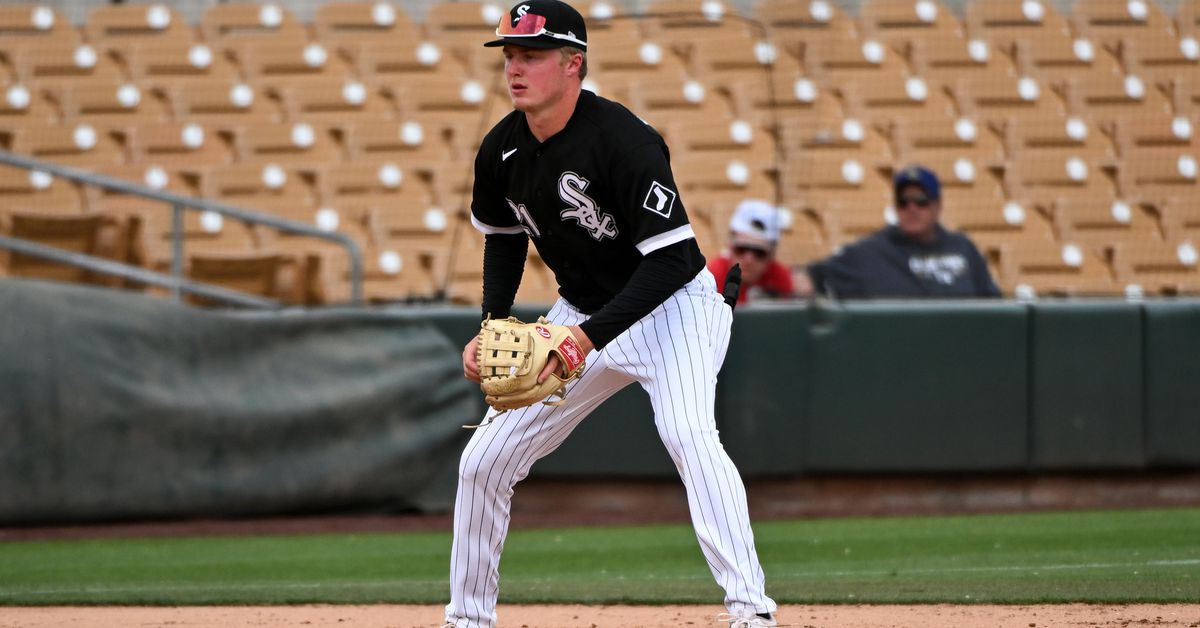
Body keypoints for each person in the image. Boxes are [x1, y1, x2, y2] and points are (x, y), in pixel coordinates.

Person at [444, 1, 778, 626]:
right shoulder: (501, 149)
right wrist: (492, 324)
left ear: (573, 63)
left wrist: (583, 339)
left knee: (688, 435)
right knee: (483, 461)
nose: (515, 68)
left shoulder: (625, 140)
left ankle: (750, 611)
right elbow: (504, 240)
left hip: (675, 309)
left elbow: (671, 261)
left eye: (532, 55)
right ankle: (468, 619)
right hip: (583, 312)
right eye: (510, 55)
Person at [807, 165, 1002, 299]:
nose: (911, 209)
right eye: (903, 202)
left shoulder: (963, 248)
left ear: (937, 206)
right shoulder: (871, 253)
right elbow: (812, 278)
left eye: (921, 201)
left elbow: (993, 306)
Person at [707, 199, 795, 305]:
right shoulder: (712, 278)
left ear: (771, 255)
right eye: (741, 249)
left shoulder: (780, 278)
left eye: (759, 253)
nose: (749, 259)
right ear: (730, 246)